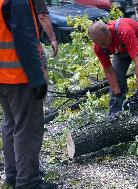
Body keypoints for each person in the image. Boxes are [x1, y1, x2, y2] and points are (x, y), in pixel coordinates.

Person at [0, 0, 57, 188]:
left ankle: (14, 174)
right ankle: (28, 182)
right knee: (27, 129)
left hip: (2, 76)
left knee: (11, 124)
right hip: (19, 76)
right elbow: (25, 40)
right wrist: (37, 78)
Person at [88, 18, 138, 115]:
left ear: (109, 32)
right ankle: (115, 114)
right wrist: (118, 94)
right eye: (100, 44)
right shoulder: (98, 46)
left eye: (104, 43)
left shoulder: (124, 30)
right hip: (121, 50)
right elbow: (108, 70)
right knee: (117, 80)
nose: (103, 46)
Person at [32, 0, 58, 82]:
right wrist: (53, 39)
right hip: (28, 39)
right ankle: (42, 93)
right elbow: (43, 16)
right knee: (42, 67)